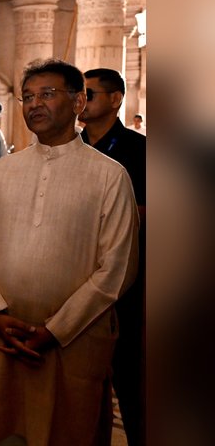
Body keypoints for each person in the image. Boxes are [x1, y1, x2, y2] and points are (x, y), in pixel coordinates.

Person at [0, 58, 139, 446]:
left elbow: (117, 267)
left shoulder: (110, 175)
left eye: (47, 94)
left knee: (69, 430)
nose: (34, 104)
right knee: (3, 430)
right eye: (27, 96)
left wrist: (55, 330)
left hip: (74, 340)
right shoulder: (4, 171)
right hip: (4, 336)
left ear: (78, 103)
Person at [80, 68, 146, 446]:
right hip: (76, 275)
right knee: (83, 385)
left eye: (89, 94)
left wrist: (117, 213)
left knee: (130, 377)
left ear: (115, 99)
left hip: (127, 281)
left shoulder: (141, 150)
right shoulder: (71, 148)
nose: (81, 101)